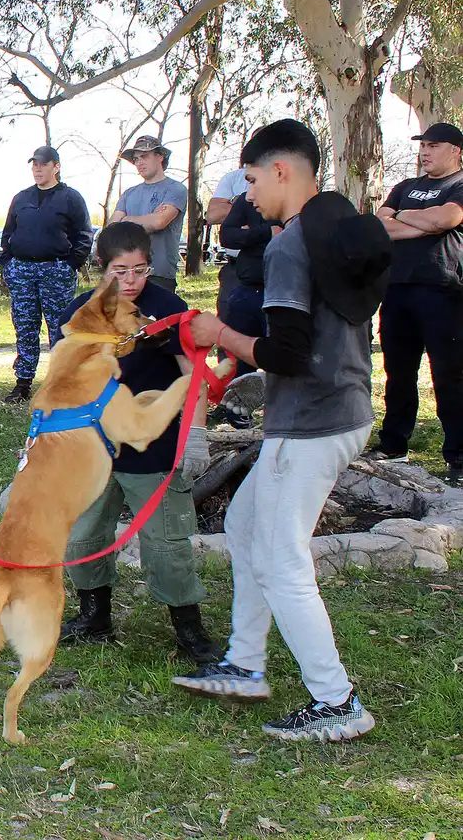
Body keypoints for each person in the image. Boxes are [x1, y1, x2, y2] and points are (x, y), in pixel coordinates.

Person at [174, 118, 389, 743]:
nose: (246, 196)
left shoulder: (290, 246)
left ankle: (337, 701)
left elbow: (287, 353)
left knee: (280, 559)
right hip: (339, 408)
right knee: (243, 525)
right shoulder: (337, 220)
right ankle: (245, 663)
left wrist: (222, 337)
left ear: (282, 171)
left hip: (312, 421)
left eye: (250, 180)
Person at [57, 221, 220, 664]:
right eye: (119, 271)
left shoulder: (168, 308)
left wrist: (196, 437)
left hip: (153, 445)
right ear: (100, 268)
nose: (131, 281)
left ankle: (188, 629)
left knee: (167, 540)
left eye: (140, 270)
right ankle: (94, 617)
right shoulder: (79, 313)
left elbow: (195, 377)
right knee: (83, 534)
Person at [367, 122, 463, 486]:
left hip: (444, 290)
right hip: (398, 289)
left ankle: (458, 455)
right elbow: (381, 223)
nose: (424, 152)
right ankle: (393, 445)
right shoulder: (405, 187)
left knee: (449, 375)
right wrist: (424, 224)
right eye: (422, 145)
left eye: (433, 145)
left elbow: (446, 218)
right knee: (398, 372)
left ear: (455, 150)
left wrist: (410, 220)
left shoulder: (460, 186)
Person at [0, 145, 93, 404]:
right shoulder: (21, 198)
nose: (37, 169)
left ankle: (62, 382)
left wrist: (71, 264)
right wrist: (8, 262)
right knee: (25, 325)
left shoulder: (70, 198)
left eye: (42, 164)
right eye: (34, 164)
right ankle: (23, 383)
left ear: (56, 167)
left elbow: (84, 234)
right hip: (23, 270)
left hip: (56, 270)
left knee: (60, 327)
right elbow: (8, 233)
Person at [108, 135, 187, 292]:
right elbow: (112, 229)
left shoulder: (175, 189)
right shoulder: (129, 193)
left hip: (159, 275)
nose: (139, 163)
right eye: (136, 159)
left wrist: (126, 219)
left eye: (144, 156)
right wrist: (147, 219)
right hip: (127, 275)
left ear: (160, 156)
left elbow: (158, 222)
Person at [219, 189, 278, 392]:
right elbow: (227, 236)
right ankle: (233, 410)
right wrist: (265, 232)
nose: (252, 194)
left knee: (278, 362)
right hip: (246, 289)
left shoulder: (296, 200)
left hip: (280, 292)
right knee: (235, 359)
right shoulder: (248, 199)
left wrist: (247, 234)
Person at [207, 166, 247, 319]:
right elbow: (213, 214)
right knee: (227, 322)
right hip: (235, 267)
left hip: (271, 264)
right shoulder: (234, 177)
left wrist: (234, 205)